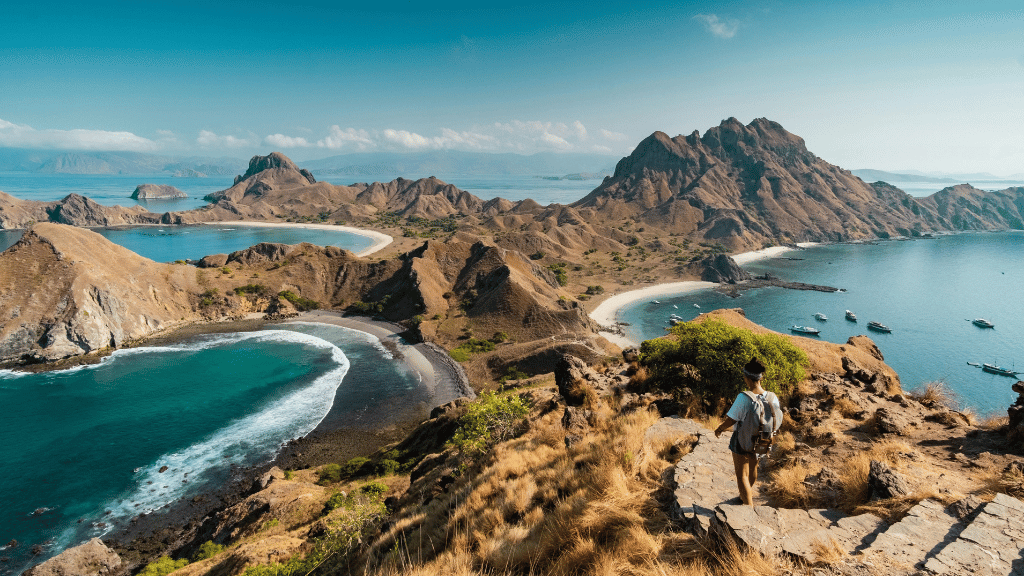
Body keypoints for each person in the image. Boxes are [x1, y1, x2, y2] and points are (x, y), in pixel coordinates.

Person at [713, 358, 783, 505]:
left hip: (742, 439)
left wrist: (719, 429)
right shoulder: (772, 397)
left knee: (741, 475)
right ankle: (746, 495)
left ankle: (748, 507)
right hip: (763, 439)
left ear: (746, 378)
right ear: (761, 377)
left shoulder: (744, 397)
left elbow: (731, 419)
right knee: (753, 468)